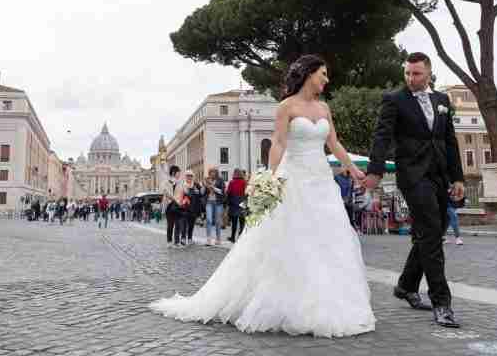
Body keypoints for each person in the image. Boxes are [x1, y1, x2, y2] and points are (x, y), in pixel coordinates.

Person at [150, 54, 375, 337]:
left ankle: (325, 303)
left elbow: (334, 143)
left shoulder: (324, 108)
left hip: (320, 182)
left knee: (325, 240)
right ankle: (284, 302)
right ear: (308, 74)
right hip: (293, 178)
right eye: (323, 74)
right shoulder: (286, 106)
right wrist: (271, 176)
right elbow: (279, 143)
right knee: (290, 239)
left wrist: (353, 168)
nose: (326, 80)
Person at [365, 52, 465, 328]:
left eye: (416, 74)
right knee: (431, 233)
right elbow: (382, 136)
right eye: (407, 73)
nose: (411, 78)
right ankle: (442, 303)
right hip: (412, 176)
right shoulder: (394, 100)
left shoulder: (442, 101)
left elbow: (449, 141)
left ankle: (406, 285)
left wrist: (457, 178)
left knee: (435, 228)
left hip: (439, 175)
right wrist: (374, 170)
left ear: (429, 73)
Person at [203, 167, 226, 246]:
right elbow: (203, 192)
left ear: (216, 173)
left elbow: (222, 191)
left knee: (217, 221)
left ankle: (218, 239)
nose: (212, 174)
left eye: (214, 172)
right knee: (209, 220)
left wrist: (213, 188)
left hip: (218, 203)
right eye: (211, 172)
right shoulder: (206, 180)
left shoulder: (220, 180)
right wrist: (204, 186)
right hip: (209, 202)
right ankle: (208, 239)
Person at [226, 168, 247, 242]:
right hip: (242, 202)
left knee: (234, 222)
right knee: (242, 221)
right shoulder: (244, 182)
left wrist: (227, 203)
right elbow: (247, 192)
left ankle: (232, 237)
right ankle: (241, 237)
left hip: (234, 203)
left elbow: (228, 192)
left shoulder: (232, 182)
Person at [183, 171, 203, 245]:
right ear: (185, 177)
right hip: (185, 207)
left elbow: (201, 194)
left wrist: (198, 191)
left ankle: (190, 238)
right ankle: (183, 238)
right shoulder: (183, 185)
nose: (189, 177)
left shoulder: (196, 185)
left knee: (191, 224)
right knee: (184, 224)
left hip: (194, 207)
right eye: (188, 176)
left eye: (191, 176)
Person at [164, 165, 181, 247]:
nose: (179, 174)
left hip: (178, 205)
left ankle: (177, 242)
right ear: (174, 173)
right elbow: (166, 192)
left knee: (178, 224)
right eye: (178, 173)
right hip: (170, 205)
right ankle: (169, 241)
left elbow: (181, 193)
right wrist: (175, 199)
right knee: (170, 224)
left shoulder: (180, 182)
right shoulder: (167, 182)